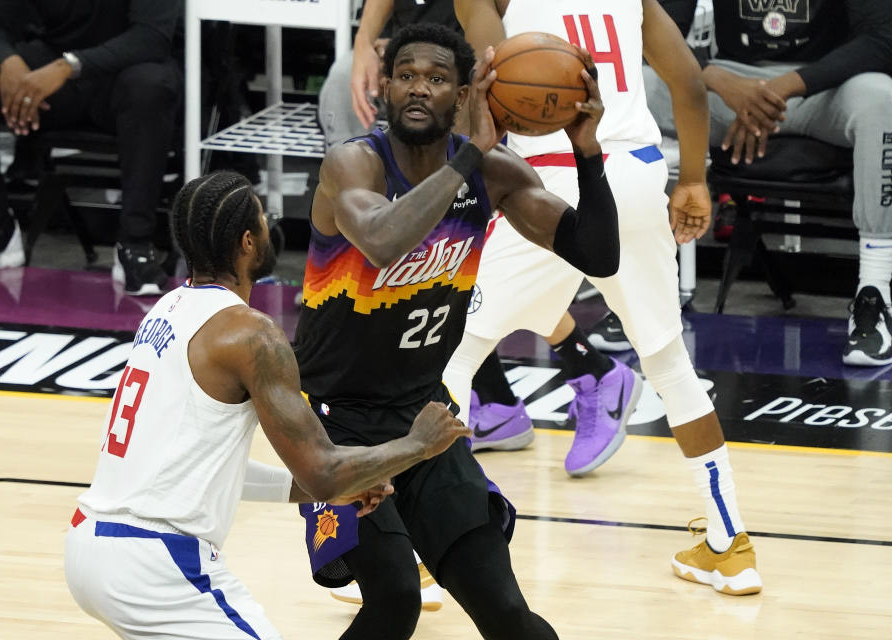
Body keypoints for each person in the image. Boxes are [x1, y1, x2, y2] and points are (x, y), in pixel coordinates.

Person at [293, 22, 618, 640]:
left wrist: (587, 148)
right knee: (394, 602)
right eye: (408, 75)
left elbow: (598, 255)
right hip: (336, 422)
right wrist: (468, 152)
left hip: (427, 416)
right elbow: (385, 240)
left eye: (438, 78)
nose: (420, 88)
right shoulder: (353, 165)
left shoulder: (495, 174)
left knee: (507, 614)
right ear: (385, 86)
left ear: (465, 92)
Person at [63, 170, 471, 639]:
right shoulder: (251, 334)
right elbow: (323, 469)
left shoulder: (167, 310)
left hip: (90, 544)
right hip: (156, 564)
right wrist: (419, 444)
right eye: (263, 216)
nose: (269, 223)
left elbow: (202, 465)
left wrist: (322, 491)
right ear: (248, 242)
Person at [447, 0, 762, 595]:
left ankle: (421, 547)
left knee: (452, 358)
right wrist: (693, 178)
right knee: (669, 362)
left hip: (545, 180)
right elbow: (688, 82)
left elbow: (485, 94)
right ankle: (730, 545)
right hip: (636, 171)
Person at [644, 0, 892, 366]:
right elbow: (650, 30)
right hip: (726, 86)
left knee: (882, 100)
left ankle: (874, 294)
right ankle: (637, 292)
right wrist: (715, 78)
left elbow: (881, 41)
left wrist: (783, 87)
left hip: (823, 86)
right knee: (638, 88)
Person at [0, 0, 182, 296]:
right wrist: (7, 63)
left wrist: (69, 66)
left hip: (128, 71)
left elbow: (150, 38)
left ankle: (135, 243)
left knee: (151, 86)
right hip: (53, 70)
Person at [319, 0, 463, 148]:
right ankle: (349, 161)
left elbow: (480, 48)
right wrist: (367, 44)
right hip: (400, 51)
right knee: (345, 75)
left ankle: (451, 163)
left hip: (458, 62)